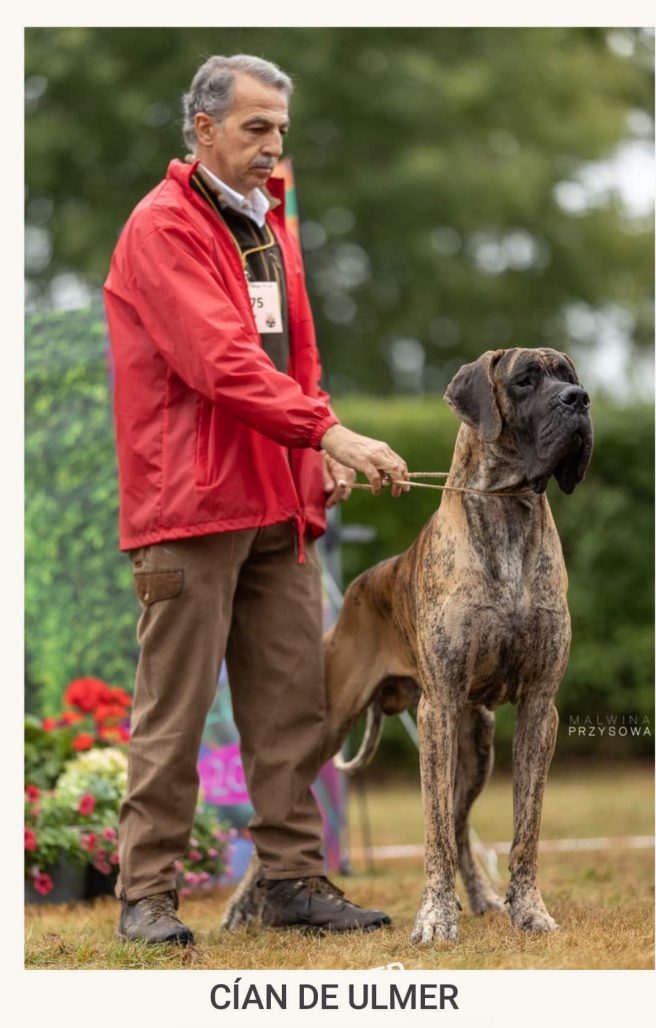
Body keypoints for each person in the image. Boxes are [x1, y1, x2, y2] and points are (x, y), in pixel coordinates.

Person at [103, 54, 409, 945]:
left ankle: (290, 882)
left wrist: (323, 445)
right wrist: (324, 433)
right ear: (203, 131)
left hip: (277, 502)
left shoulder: (269, 223)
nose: (274, 146)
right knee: (177, 711)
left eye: (280, 129)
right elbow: (220, 361)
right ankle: (145, 898)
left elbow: (294, 357)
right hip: (189, 508)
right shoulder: (161, 227)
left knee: (292, 708)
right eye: (255, 129)